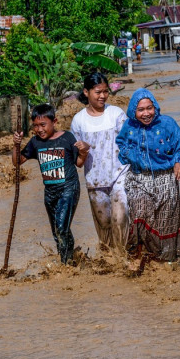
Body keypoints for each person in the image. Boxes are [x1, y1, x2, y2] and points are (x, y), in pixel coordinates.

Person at [117, 88, 180, 271]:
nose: (146, 114)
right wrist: (131, 155)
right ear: (133, 112)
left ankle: (164, 265)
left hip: (166, 179)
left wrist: (179, 163)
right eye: (141, 110)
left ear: (155, 107)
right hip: (138, 178)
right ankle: (139, 257)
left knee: (166, 222)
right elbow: (121, 144)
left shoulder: (168, 124)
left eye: (149, 108)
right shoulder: (129, 126)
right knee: (140, 214)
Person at [13, 104, 90, 264]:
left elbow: (79, 163)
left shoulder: (67, 138)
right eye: (35, 126)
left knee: (61, 227)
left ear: (54, 121)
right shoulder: (35, 143)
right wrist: (16, 144)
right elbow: (17, 161)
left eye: (43, 125)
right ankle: (69, 259)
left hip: (68, 188)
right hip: (50, 192)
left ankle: (66, 264)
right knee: (57, 231)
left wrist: (84, 152)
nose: (39, 129)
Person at [71, 72, 131, 256]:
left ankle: (123, 258)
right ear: (86, 92)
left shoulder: (116, 114)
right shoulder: (78, 121)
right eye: (98, 92)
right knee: (104, 224)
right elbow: (78, 163)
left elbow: (130, 142)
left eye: (105, 91)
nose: (102, 96)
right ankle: (109, 260)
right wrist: (83, 151)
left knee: (120, 217)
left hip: (120, 174)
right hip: (95, 181)